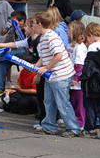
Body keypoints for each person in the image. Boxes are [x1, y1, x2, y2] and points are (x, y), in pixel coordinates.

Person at [33, 9, 80, 137]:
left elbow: (58, 55)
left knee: (62, 102)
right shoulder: (43, 38)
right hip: (51, 76)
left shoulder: (51, 37)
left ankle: (73, 128)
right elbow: (43, 57)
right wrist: (36, 69)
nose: (33, 26)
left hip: (61, 75)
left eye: (34, 23)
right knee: (49, 101)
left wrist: (46, 68)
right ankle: (49, 125)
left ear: (40, 24)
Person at [66, 20, 87, 131]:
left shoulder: (79, 47)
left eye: (69, 29)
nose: (67, 31)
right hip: (68, 77)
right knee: (71, 102)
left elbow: (80, 65)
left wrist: (76, 78)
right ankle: (72, 121)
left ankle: (80, 123)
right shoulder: (70, 45)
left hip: (76, 82)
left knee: (78, 103)